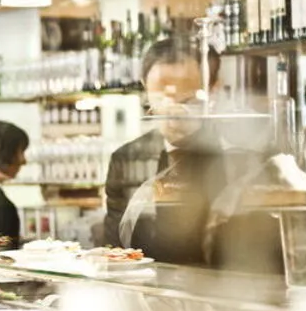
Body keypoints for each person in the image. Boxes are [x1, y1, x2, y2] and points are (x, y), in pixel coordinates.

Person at [106, 39, 279, 269]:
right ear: (145, 89)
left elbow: (256, 252)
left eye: (187, 101)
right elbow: (115, 252)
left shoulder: (242, 157)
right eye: (160, 100)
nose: (172, 112)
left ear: (211, 91)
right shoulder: (127, 159)